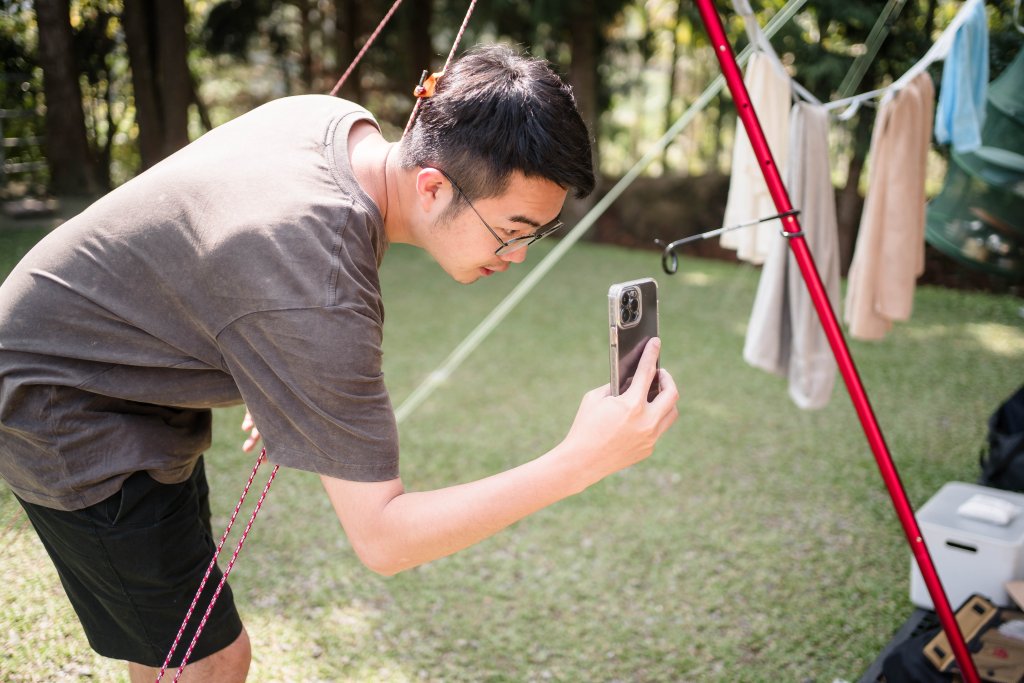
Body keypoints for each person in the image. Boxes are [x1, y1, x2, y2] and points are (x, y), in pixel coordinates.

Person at [0, 44, 678, 682]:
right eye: (513, 230)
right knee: (207, 659)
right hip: (61, 397)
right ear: (436, 186)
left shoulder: (337, 126)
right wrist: (579, 460)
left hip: (111, 361)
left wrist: (282, 371)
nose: (518, 255)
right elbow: (385, 538)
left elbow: (227, 244)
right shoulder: (318, 292)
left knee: (181, 644)